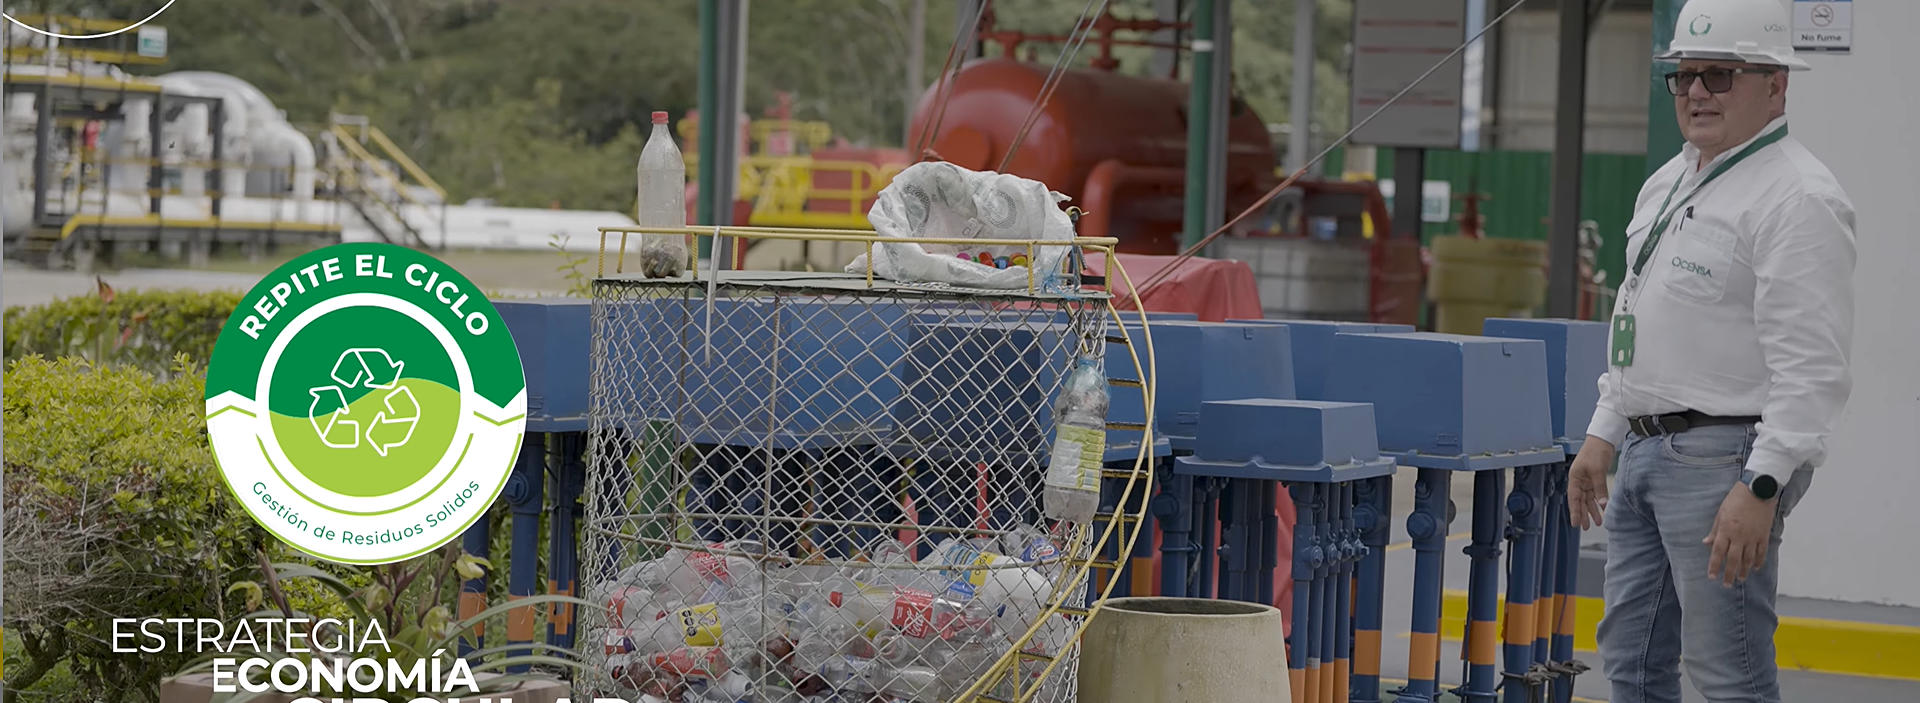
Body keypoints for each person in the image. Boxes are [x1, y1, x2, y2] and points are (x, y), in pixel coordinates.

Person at [1563, 0, 1855, 701]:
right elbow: (1635, 309)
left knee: (1729, 675)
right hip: (1643, 448)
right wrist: (1605, 430)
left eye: (1720, 75)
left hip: (1725, 460)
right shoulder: (1672, 179)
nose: (1696, 92)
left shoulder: (1798, 198)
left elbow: (1812, 366)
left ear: (1775, 84)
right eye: (1686, 75)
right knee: (1630, 663)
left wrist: (1762, 484)